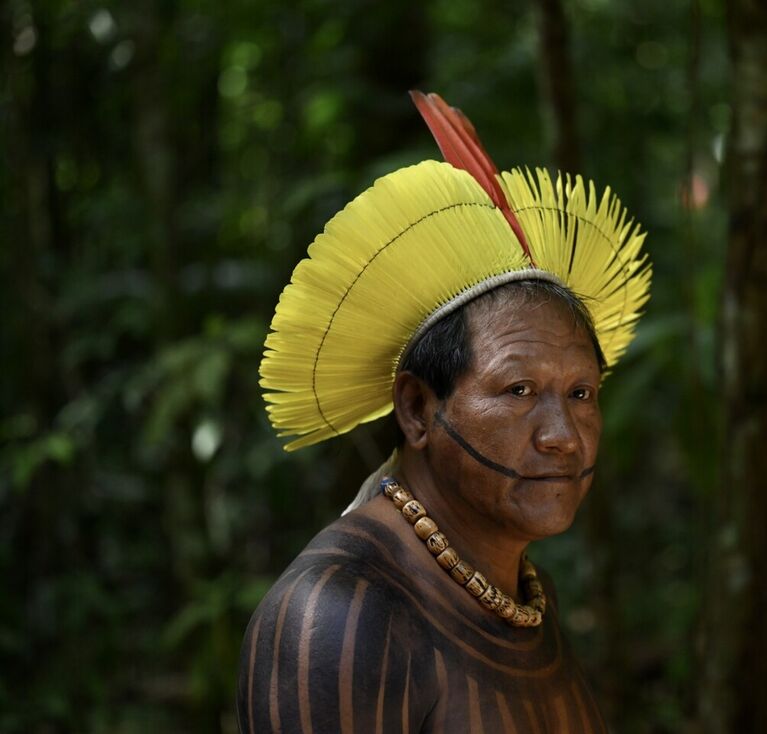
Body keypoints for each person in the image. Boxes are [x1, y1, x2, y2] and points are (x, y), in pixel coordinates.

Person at [237, 91, 651, 733]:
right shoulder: (343, 617)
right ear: (417, 409)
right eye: (517, 391)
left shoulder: (522, 594)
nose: (563, 437)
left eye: (581, 394)